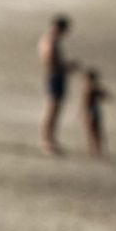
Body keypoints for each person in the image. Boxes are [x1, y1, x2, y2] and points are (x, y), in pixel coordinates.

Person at [38, 15, 76, 155]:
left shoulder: (47, 39)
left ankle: (49, 139)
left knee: (53, 110)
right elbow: (50, 61)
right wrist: (67, 67)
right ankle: (47, 140)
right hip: (54, 76)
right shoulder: (51, 41)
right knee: (52, 110)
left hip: (53, 75)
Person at [83, 69, 110, 158]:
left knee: (93, 131)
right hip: (92, 110)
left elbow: (105, 95)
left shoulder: (91, 87)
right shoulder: (91, 87)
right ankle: (95, 149)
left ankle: (96, 149)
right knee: (93, 131)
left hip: (92, 110)